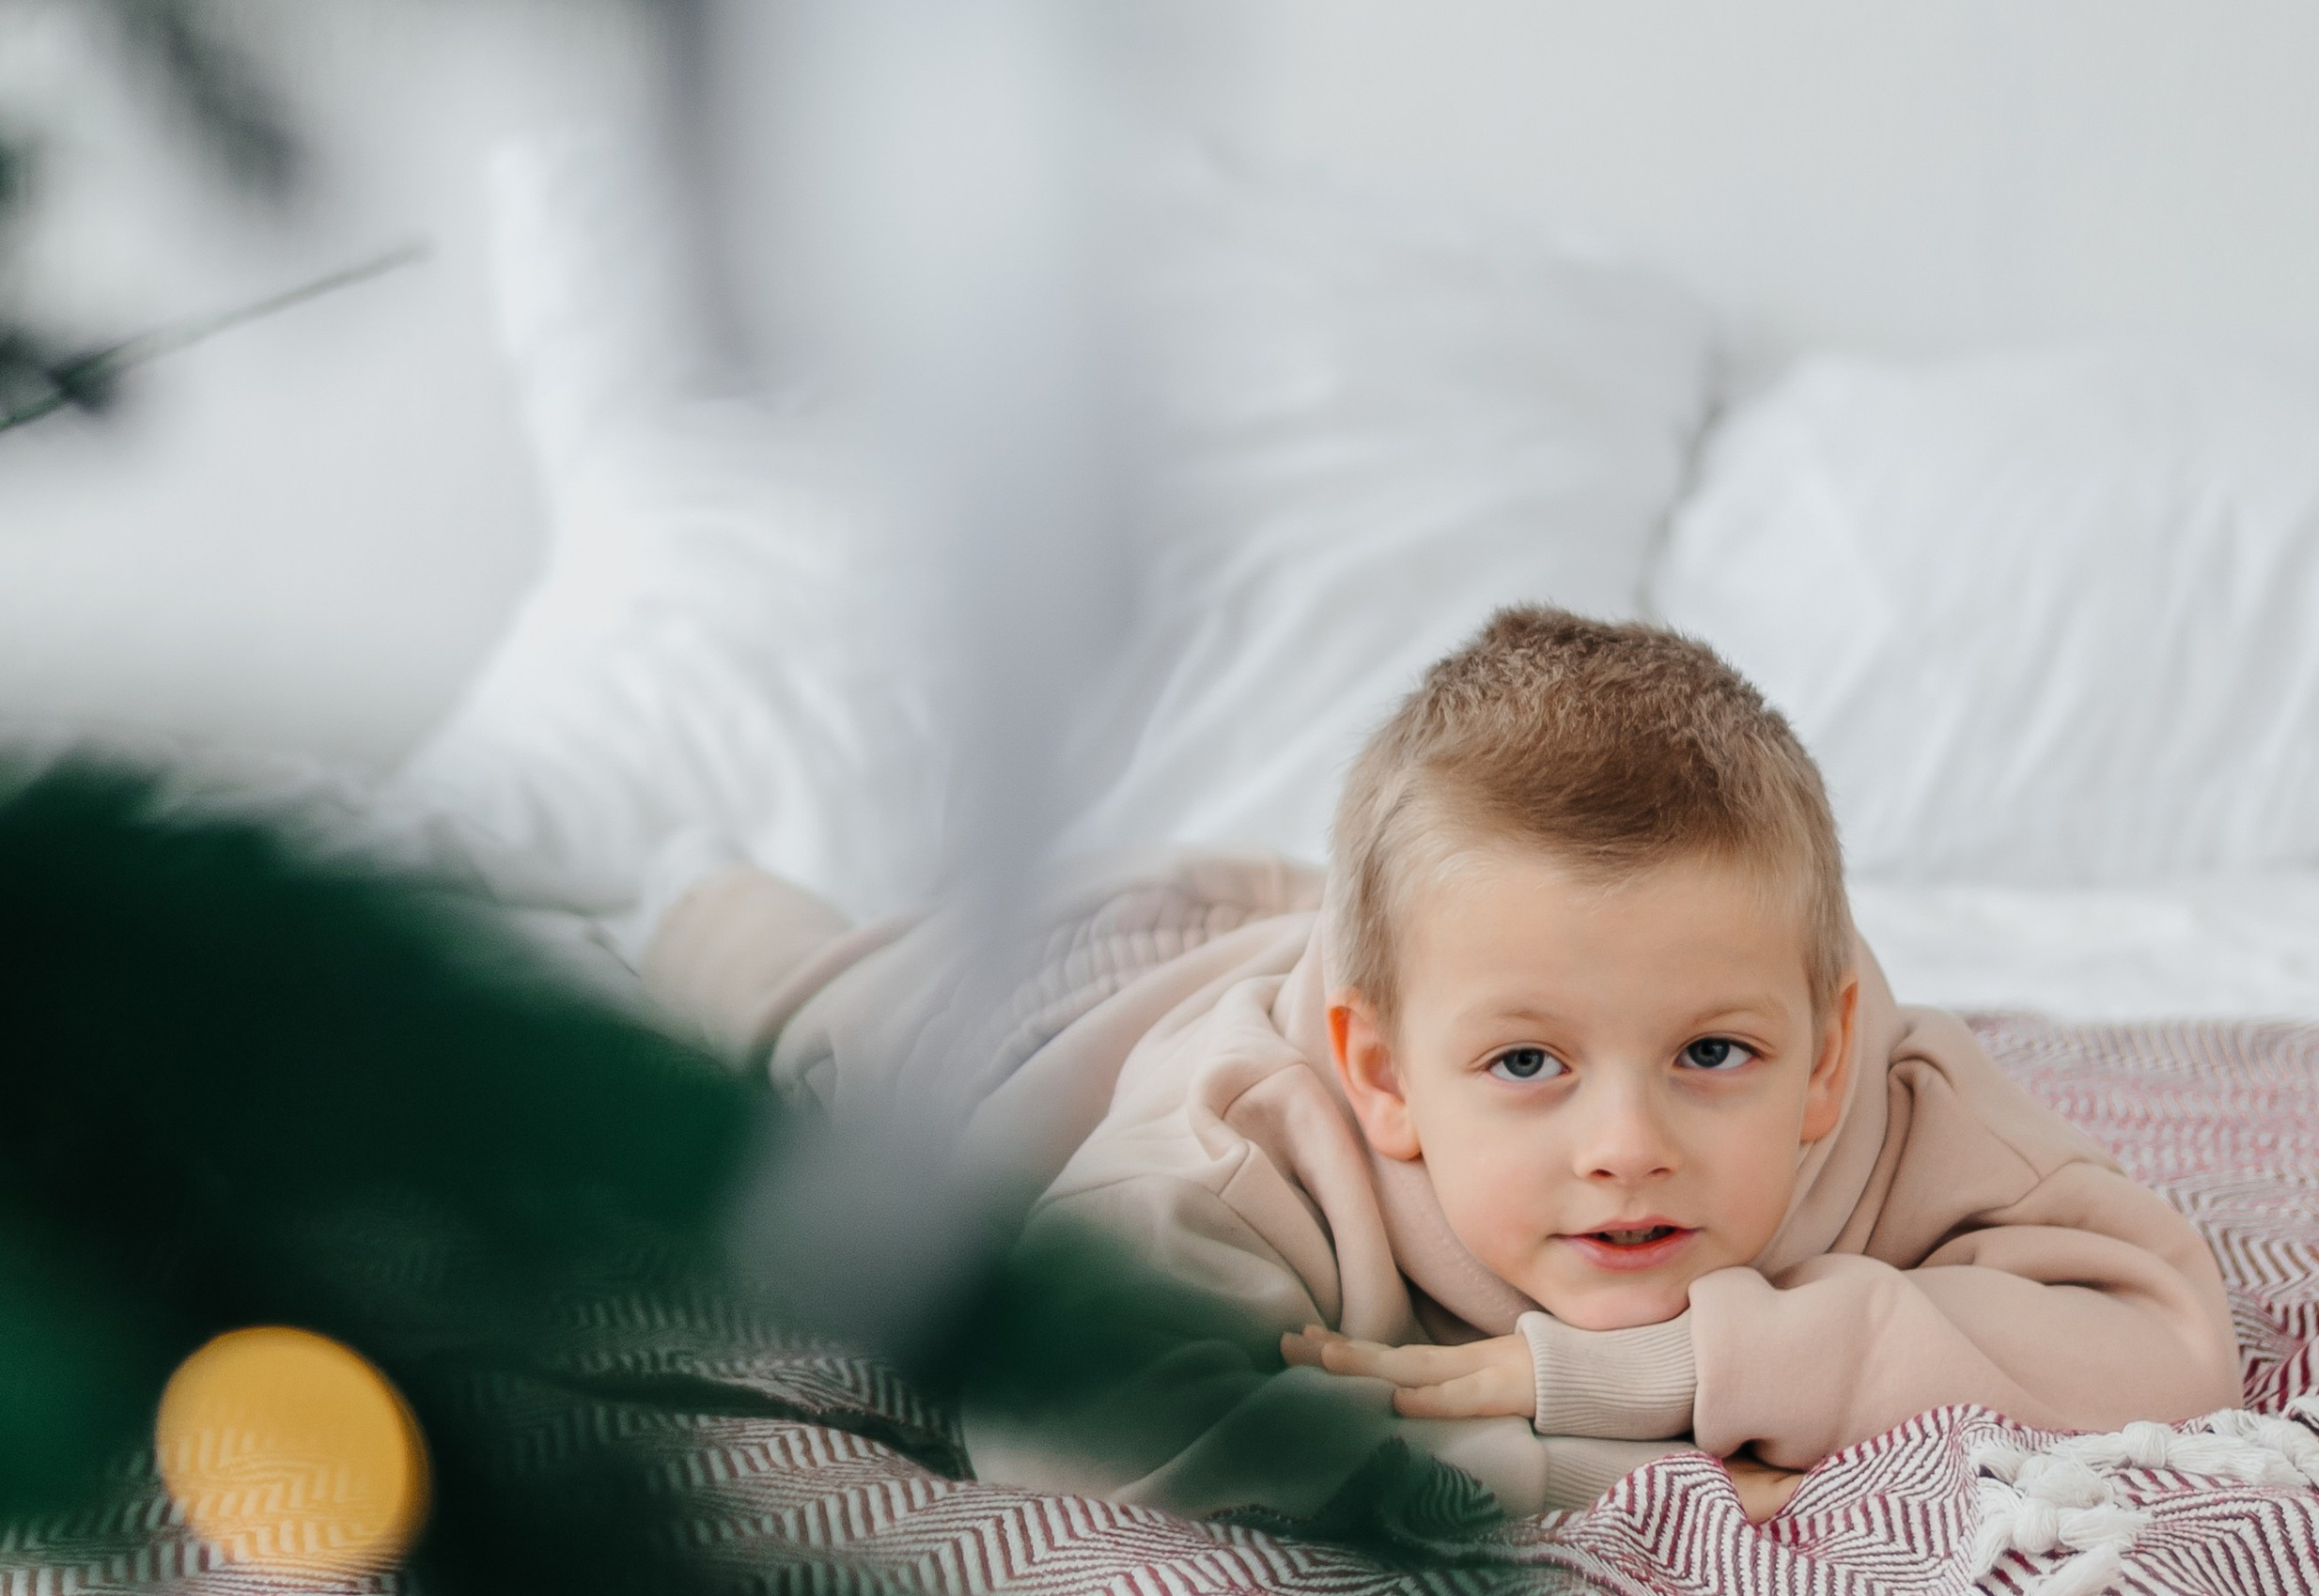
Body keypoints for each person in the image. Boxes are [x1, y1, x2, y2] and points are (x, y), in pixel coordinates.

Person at [644, 609, 2241, 1524]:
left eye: (1714, 1052)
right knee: (799, 1013)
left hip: (1369, 962)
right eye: (1532, 1063)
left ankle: (1364, 937)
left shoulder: (1889, 1102)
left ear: (1823, 1059)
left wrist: (1687, 1372)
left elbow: (2169, 1347)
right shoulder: (1238, 1146)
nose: (1629, 1143)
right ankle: (694, 887)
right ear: (1390, 1081)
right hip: (1029, 1021)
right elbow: (1080, 1413)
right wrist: (1571, 1469)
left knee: (1425, 925)